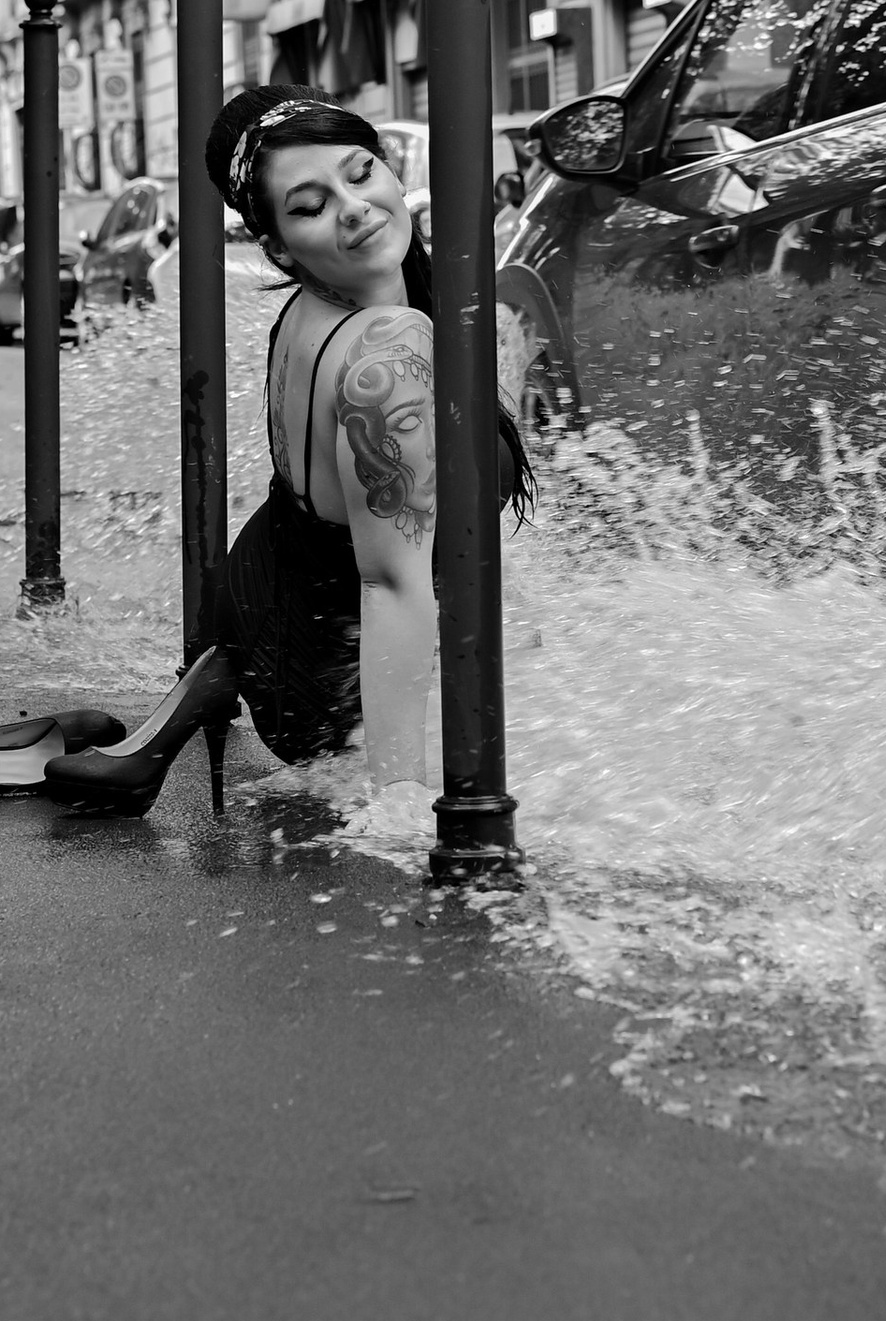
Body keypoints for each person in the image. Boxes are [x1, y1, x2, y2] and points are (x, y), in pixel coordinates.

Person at [41, 90, 528, 820]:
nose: (354, 207)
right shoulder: (387, 348)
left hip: (266, 601)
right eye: (310, 206)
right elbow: (391, 586)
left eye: (361, 173)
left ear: (394, 174)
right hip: (325, 687)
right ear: (277, 246)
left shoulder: (317, 310)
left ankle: (205, 689)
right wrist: (399, 802)